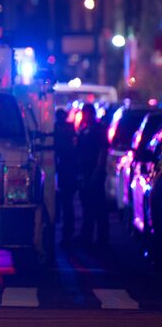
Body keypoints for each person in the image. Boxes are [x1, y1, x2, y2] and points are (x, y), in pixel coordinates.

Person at [76, 104, 109, 247]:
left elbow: (103, 151)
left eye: (87, 113)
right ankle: (86, 236)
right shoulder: (83, 130)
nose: (85, 116)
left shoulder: (98, 129)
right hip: (85, 172)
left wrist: (98, 170)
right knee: (87, 205)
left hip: (94, 173)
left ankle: (102, 239)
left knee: (98, 206)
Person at [53, 109, 77, 246]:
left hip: (65, 171)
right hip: (63, 171)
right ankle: (67, 234)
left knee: (66, 204)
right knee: (66, 205)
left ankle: (67, 235)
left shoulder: (64, 130)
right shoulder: (69, 129)